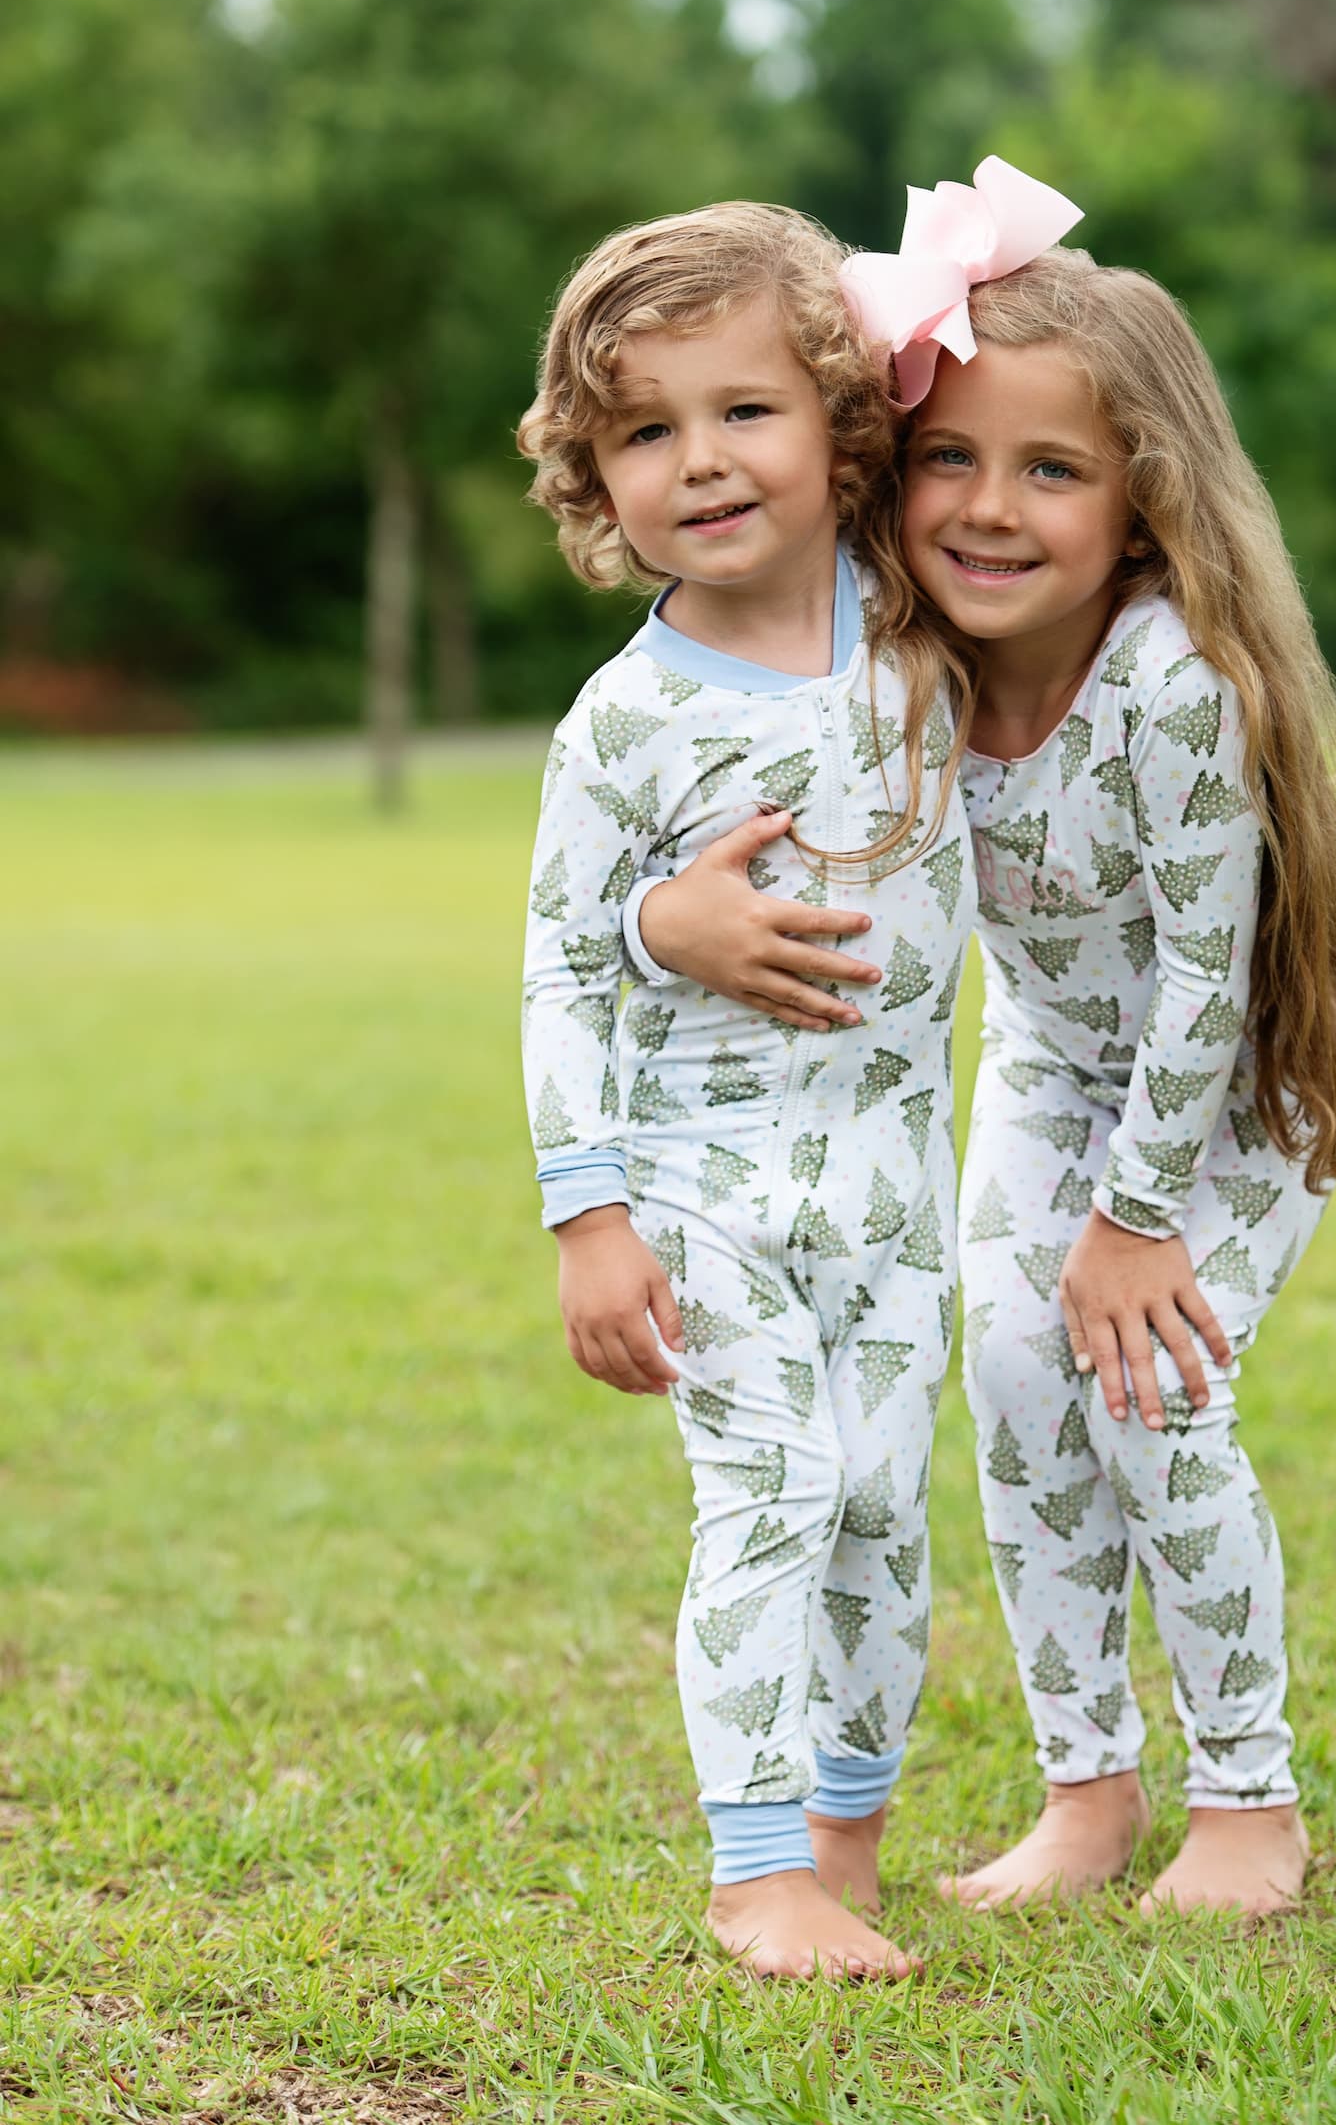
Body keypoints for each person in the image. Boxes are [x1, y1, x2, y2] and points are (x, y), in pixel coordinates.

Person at [635, 176, 1336, 1925]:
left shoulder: (1171, 685)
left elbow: (1208, 977)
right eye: (944, 459)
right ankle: (1085, 1792)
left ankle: (1248, 1804)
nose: (985, 509)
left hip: (1223, 1100)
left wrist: (1132, 1227)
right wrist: (664, 925)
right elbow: (695, 812)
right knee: (1018, 1400)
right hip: (1050, 1078)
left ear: (1142, 505)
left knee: (1151, 1407)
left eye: (1049, 469)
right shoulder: (897, 661)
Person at [517, 200, 993, 1981]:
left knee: (882, 1504)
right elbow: (561, 963)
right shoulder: (624, 725)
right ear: (594, 478)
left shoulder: (928, 622)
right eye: (644, 431)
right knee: (773, 1493)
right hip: (709, 1180)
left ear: (837, 423)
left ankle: (847, 1837)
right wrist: (590, 1216)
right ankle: (752, 1871)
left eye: (743, 412)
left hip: (893, 1183)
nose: (699, 463)